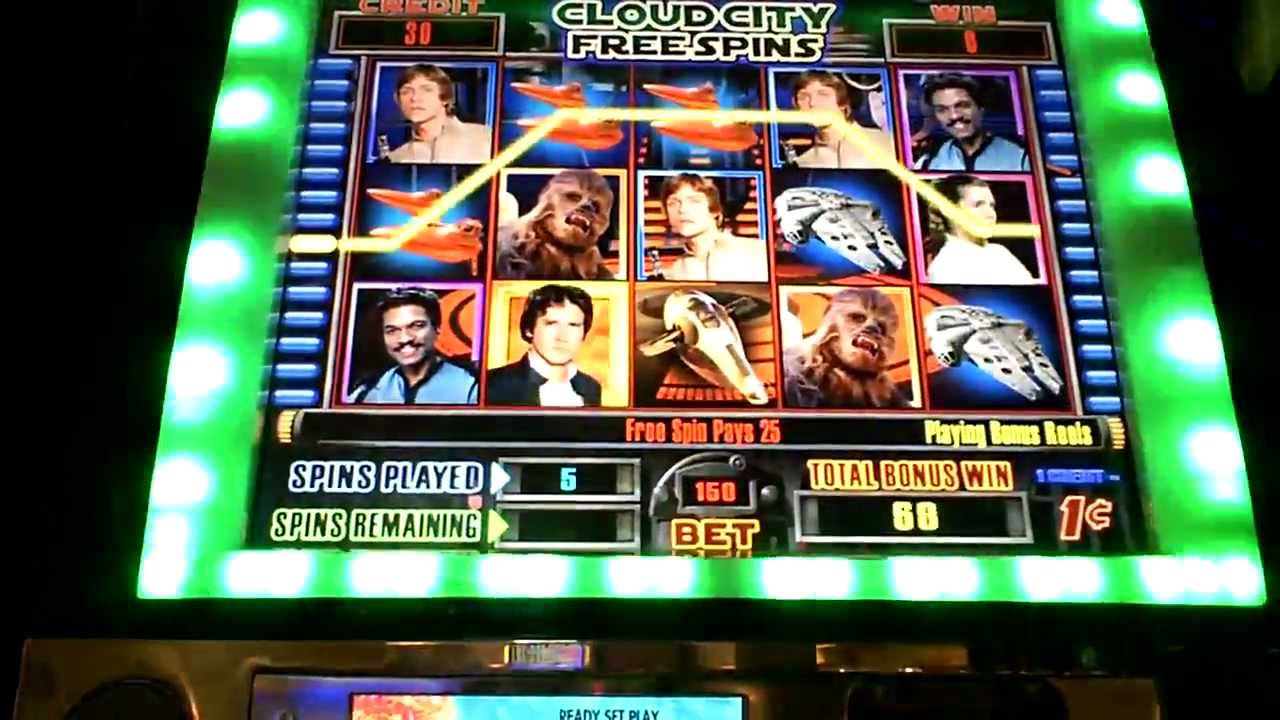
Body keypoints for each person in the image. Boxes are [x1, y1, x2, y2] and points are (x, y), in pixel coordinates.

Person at [350, 287, 479, 404]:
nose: (404, 338)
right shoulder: (367, 389)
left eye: (416, 326)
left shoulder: (470, 385)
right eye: (392, 330)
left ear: (437, 327)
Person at [486, 284, 603, 407]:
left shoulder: (591, 387)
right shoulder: (491, 384)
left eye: (573, 325)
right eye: (551, 324)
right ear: (529, 329)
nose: (562, 336)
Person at [653, 173, 768, 282]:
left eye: (694, 201)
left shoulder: (759, 253)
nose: (682, 209)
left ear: (715, 209)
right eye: (673, 203)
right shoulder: (676, 272)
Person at [924, 174, 1035, 285]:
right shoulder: (945, 267)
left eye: (992, 206)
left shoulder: (999, 252)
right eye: (978, 205)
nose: (990, 214)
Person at [914, 73, 1030, 172]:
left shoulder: (1019, 156)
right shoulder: (928, 161)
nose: (954, 116)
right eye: (942, 110)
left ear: (981, 107)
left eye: (962, 106)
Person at [385, 63, 492, 164]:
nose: (414, 98)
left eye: (426, 90)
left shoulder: (485, 137)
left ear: (445, 97)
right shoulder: (397, 158)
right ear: (397, 100)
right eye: (406, 91)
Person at [787, 70, 895, 169]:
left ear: (843, 101)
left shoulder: (886, 143)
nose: (812, 103)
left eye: (823, 94)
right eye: (803, 97)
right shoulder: (803, 163)